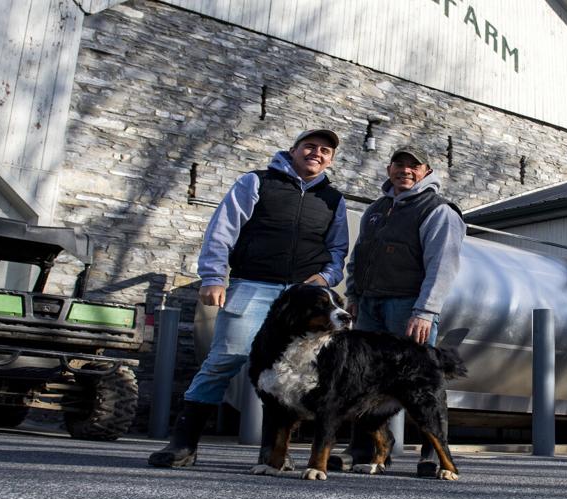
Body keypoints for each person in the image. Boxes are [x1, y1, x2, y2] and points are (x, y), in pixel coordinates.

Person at [148, 128, 350, 467]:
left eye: (325, 150)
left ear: (331, 159)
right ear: (293, 149)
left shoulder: (333, 200)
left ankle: (273, 453)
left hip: (303, 298)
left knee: (292, 371)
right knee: (225, 359)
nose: (317, 153)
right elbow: (222, 229)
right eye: (309, 146)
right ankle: (183, 445)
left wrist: (328, 277)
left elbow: (338, 249)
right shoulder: (256, 182)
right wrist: (214, 276)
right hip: (252, 286)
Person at [341, 144, 466, 475]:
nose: (405, 170)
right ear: (389, 169)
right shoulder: (376, 209)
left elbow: (443, 265)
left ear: (426, 171)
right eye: (399, 164)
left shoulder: (438, 210)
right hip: (369, 306)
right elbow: (359, 256)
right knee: (363, 379)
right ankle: (365, 451)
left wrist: (425, 310)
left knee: (422, 384)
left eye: (414, 165)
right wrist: (353, 294)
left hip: (408, 307)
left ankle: (433, 455)